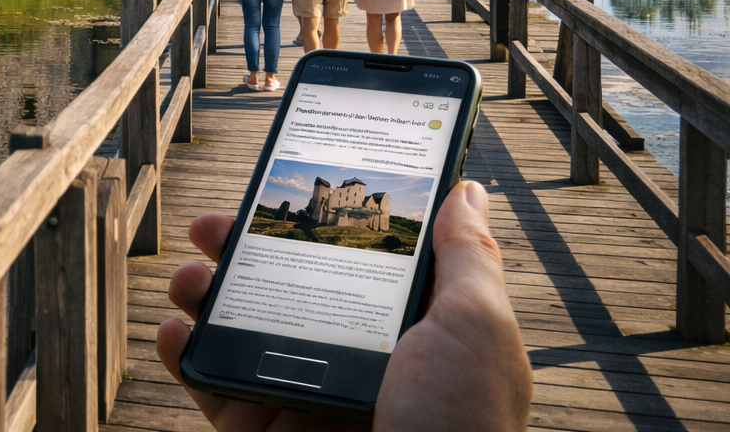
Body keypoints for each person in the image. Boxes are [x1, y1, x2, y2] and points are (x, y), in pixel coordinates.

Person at [156, 181, 533, 431]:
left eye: (359, 194)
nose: (355, 195)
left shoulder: (369, 205)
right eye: (351, 192)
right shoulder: (345, 198)